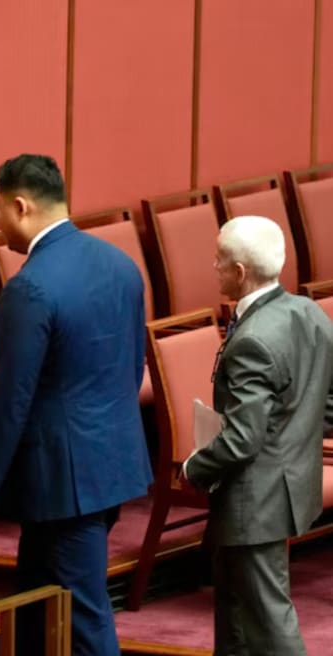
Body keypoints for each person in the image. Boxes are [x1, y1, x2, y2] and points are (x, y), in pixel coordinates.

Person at [0, 154, 153, 655]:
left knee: (83, 618)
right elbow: (131, 369)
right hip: (109, 464)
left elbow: (8, 399)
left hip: (62, 480)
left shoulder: (30, 286)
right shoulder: (121, 265)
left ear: (20, 206)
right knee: (35, 606)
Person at [183, 215, 333, 656]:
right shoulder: (309, 312)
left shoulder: (254, 339)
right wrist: (294, 433)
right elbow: (328, 401)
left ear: (240, 273)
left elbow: (243, 439)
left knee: (269, 620)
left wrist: (195, 466)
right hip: (284, 487)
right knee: (234, 607)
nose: (214, 266)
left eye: (220, 260)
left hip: (255, 499)